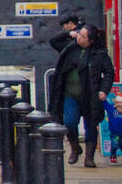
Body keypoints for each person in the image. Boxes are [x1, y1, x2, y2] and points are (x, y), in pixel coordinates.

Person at [49, 22, 116, 168]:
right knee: (70, 122)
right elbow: (53, 41)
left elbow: (109, 73)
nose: (79, 38)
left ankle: (89, 157)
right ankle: (75, 148)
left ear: (90, 40)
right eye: (79, 34)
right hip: (70, 94)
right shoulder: (69, 48)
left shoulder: (100, 54)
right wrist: (69, 33)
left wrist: (104, 90)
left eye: (83, 36)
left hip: (91, 95)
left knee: (91, 125)